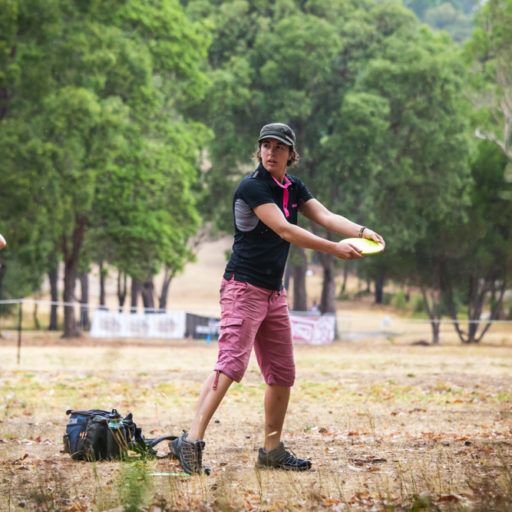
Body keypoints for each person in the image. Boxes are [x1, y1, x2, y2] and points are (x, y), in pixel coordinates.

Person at [171, 123, 385, 475]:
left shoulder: (293, 187)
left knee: (282, 374)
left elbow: (325, 216)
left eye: (279, 147)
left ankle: (271, 452)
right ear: (259, 151)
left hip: (274, 293)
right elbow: (285, 229)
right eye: (265, 145)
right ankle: (190, 443)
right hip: (243, 289)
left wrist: (362, 232)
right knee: (230, 366)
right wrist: (334, 249)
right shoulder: (252, 187)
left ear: (290, 154)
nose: (271, 152)